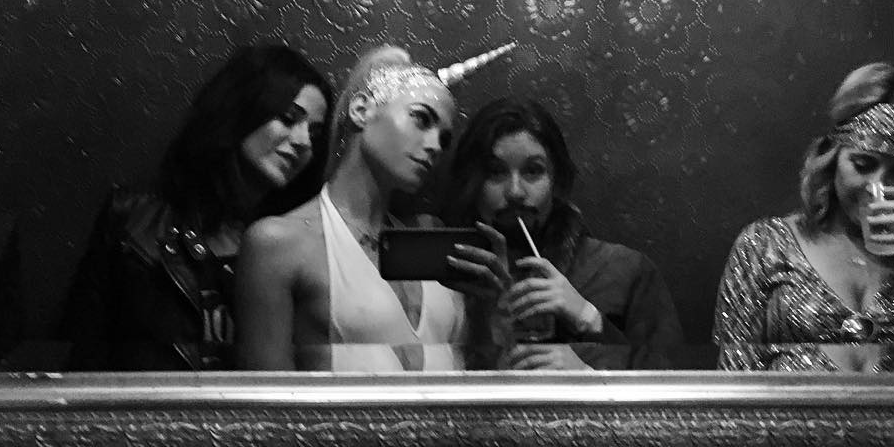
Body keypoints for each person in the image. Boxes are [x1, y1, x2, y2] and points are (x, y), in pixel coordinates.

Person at [235, 44, 510, 371]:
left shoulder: (429, 235)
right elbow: (266, 395)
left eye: (445, 138)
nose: (435, 145)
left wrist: (492, 309)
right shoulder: (280, 243)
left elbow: (472, 365)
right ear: (361, 109)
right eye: (421, 119)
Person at [63, 44, 332, 370]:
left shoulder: (300, 243)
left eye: (315, 132)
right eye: (289, 118)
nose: (304, 141)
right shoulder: (134, 219)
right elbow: (82, 351)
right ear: (243, 110)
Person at [713, 62, 894, 372]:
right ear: (831, 159)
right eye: (862, 165)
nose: (878, 187)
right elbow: (733, 379)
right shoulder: (764, 246)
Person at [443, 97, 686, 370]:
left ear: (557, 180)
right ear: (472, 182)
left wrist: (588, 319)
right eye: (495, 172)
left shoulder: (623, 271)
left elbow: (673, 379)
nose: (515, 192)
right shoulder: (447, 280)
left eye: (533, 171)